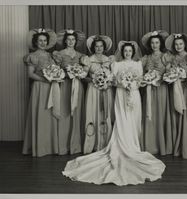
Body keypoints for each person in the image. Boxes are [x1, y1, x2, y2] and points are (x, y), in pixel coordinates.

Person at [62, 41, 165, 186]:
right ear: (122, 52)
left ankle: (133, 146)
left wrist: (132, 84)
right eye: (126, 51)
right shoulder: (116, 64)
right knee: (122, 120)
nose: (128, 53)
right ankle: (121, 145)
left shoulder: (137, 65)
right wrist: (123, 83)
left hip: (134, 95)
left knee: (134, 121)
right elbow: (114, 82)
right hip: (121, 94)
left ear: (133, 52)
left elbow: (141, 81)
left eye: (130, 51)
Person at [22, 28, 60, 157]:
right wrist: (45, 79)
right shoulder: (32, 56)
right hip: (40, 87)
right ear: (35, 42)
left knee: (50, 115)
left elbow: (56, 70)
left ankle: (50, 146)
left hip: (51, 87)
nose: (43, 43)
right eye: (40, 41)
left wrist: (55, 77)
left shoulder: (51, 55)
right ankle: (39, 147)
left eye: (45, 41)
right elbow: (30, 74)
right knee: (40, 114)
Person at [52, 29, 87, 155]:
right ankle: (63, 146)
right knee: (65, 113)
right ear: (65, 41)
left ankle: (76, 145)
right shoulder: (59, 54)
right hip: (65, 86)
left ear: (76, 41)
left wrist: (79, 73)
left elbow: (85, 72)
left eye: (73, 39)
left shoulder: (81, 55)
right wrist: (66, 74)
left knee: (76, 114)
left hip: (77, 86)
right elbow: (55, 71)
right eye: (69, 39)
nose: (71, 41)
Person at [165, 33, 187, 159]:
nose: (178, 46)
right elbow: (169, 73)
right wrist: (172, 74)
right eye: (176, 44)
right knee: (178, 116)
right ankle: (179, 146)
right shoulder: (172, 58)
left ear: (185, 45)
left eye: (180, 44)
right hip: (177, 89)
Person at [141, 30, 173, 155]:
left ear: (160, 44)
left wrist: (161, 77)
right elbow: (139, 73)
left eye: (157, 42)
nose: (155, 45)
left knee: (161, 114)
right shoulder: (146, 58)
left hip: (161, 89)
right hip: (149, 90)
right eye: (152, 43)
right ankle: (149, 144)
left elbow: (169, 73)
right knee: (149, 115)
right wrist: (147, 78)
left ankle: (161, 145)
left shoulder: (166, 56)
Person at [81, 35, 114, 154]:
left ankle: (105, 142)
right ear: (93, 48)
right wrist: (94, 80)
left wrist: (107, 82)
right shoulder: (88, 59)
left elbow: (113, 76)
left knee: (106, 114)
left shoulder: (109, 59)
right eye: (96, 46)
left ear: (104, 48)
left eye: (101, 46)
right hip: (93, 90)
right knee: (93, 113)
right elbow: (83, 77)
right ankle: (93, 144)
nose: (99, 48)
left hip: (106, 90)